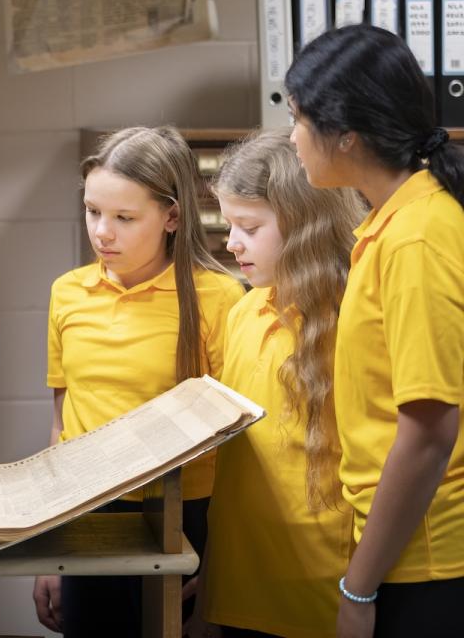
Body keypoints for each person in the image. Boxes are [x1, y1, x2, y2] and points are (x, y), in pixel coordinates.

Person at [284, 23, 464, 638]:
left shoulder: (416, 237)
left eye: (299, 119)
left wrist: (357, 589)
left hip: (432, 561)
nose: (292, 137)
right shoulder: (395, 223)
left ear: (347, 135)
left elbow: (429, 433)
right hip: (406, 549)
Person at [33, 125, 244, 638]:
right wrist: (50, 547)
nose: (102, 232)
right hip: (90, 516)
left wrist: (222, 568)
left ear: (172, 216)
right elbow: (63, 425)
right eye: (92, 211)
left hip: (186, 517)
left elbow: (243, 454)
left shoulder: (220, 299)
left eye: (124, 218)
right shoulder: (68, 293)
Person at [194, 129, 363, 638]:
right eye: (229, 225)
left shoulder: (350, 318)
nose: (231, 242)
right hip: (240, 585)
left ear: (303, 224)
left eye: (249, 226)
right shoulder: (245, 310)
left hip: (323, 590)